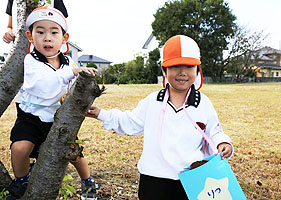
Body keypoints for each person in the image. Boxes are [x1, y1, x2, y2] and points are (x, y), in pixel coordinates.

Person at [86, 35, 233, 200]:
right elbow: (129, 122)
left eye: (189, 66)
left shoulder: (203, 103)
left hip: (192, 178)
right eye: (175, 66)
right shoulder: (152, 101)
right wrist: (101, 113)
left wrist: (223, 142)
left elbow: (214, 131)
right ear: (164, 70)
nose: (183, 73)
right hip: (153, 178)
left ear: (198, 70)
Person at [6, 7, 99, 200]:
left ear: (64, 38)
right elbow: (44, 86)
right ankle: (21, 180)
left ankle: (88, 182)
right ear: (30, 37)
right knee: (19, 148)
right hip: (31, 117)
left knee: (74, 153)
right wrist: (71, 74)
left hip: (58, 119)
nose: (47, 38)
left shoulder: (69, 63)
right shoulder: (31, 60)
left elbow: (74, 90)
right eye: (40, 32)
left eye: (54, 32)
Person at [3, 0, 68, 44]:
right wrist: (9, 33)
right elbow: (9, 26)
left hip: (47, 50)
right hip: (19, 52)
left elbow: (62, 28)